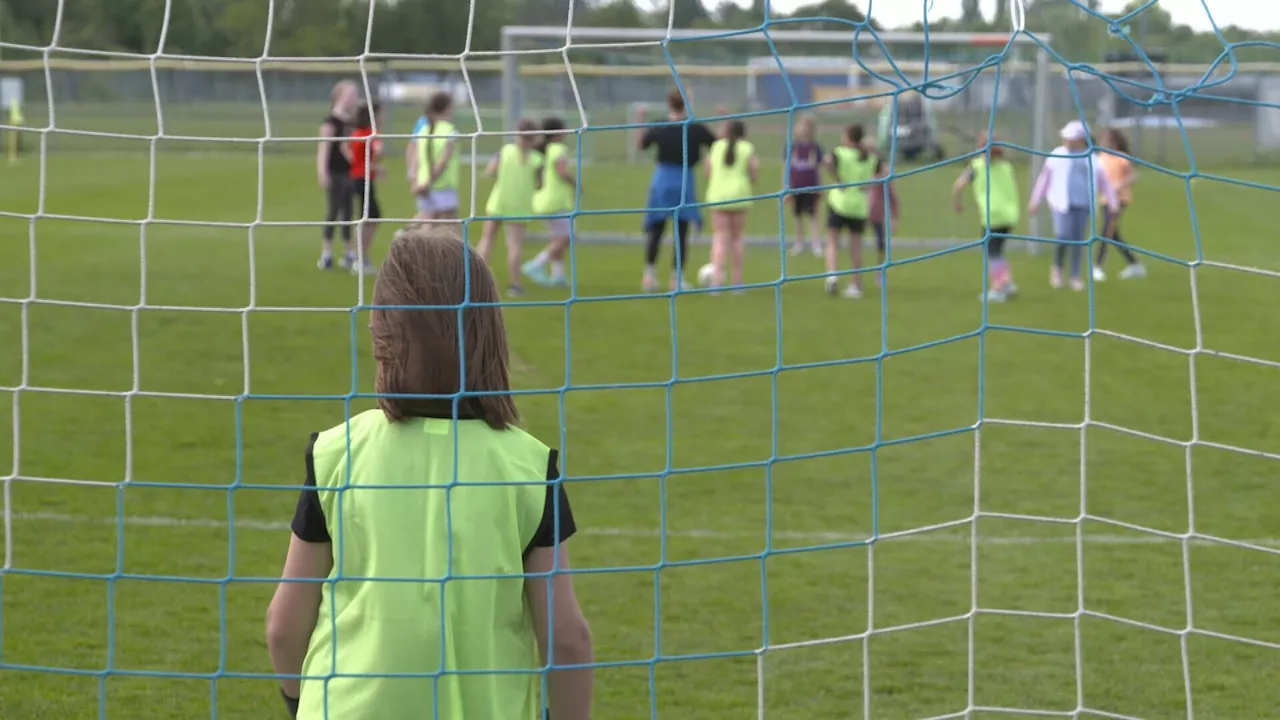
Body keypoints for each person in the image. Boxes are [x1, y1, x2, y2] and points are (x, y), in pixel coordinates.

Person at [265, 226, 595, 720]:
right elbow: (566, 640)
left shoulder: (337, 453)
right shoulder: (528, 467)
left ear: (382, 331)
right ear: (488, 331)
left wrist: (300, 701)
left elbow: (284, 627)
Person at [635, 89, 716, 292]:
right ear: (687, 103)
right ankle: (676, 279)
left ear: (668, 103)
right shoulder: (694, 128)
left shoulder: (660, 125)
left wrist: (640, 119)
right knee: (681, 231)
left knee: (657, 229)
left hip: (661, 179)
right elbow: (717, 143)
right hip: (684, 179)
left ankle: (649, 275)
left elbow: (640, 145)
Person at [1028, 120, 1121, 292]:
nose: (1067, 141)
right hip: (1061, 204)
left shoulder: (1091, 158)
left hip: (1083, 204)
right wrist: (1035, 200)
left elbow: (1104, 183)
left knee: (1079, 241)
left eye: (1071, 138)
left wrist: (1113, 202)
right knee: (1062, 235)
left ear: (1081, 139)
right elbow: (1044, 179)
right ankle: (1057, 270)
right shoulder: (1056, 155)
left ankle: (1075, 275)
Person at [478, 118, 544, 297]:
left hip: (498, 203)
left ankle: (476, 281)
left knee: (487, 241)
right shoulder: (537, 159)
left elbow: (490, 171)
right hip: (518, 207)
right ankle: (514, 285)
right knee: (515, 246)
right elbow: (539, 184)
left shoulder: (504, 151)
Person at [953, 132, 1021, 302]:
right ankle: (1008, 283)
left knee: (992, 252)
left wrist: (957, 203)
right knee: (998, 250)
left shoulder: (977, 166)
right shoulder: (1007, 166)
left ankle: (998, 289)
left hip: (992, 215)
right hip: (1009, 215)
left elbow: (958, 185)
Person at [823, 124, 880, 299]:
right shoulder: (869, 157)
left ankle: (832, 276)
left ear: (848, 137)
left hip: (839, 202)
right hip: (859, 205)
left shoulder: (840, 152)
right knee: (856, 248)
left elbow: (826, 161)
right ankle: (856, 285)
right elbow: (879, 173)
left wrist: (837, 178)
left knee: (833, 241)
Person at [522, 118, 577, 288]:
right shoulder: (558, 148)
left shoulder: (543, 150)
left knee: (557, 237)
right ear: (558, 132)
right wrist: (575, 183)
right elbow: (561, 171)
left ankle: (558, 275)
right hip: (556, 201)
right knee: (565, 237)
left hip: (543, 200)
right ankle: (536, 264)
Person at [703, 120, 758, 291]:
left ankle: (717, 282)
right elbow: (754, 174)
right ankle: (737, 282)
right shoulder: (748, 148)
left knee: (720, 238)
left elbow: (707, 172)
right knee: (737, 238)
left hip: (719, 196)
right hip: (739, 196)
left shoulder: (716, 147)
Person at [317, 80, 361, 270]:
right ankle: (326, 252)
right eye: (350, 94)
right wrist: (322, 172)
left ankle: (348, 251)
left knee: (348, 212)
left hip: (349, 172)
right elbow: (323, 150)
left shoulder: (351, 122)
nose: (353, 98)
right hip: (335, 172)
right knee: (333, 211)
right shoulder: (330, 123)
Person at [1093, 128, 1146, 281]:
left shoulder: (1122, 158)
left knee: (1106, 232)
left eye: (1107, 140)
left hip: (1119, 200)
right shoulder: (1101, 157)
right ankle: (1135, 265)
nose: (1104, 142)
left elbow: (1133, 177)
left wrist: (1118, 186)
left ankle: (1097, 266)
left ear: (1114, 142)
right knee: (1113, 234)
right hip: (1105, 200)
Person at [346, 102, 384, 277]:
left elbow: (348, 150)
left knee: (365, 217)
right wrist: (375, 165)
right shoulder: (371, 134)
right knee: (371, 218)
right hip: (365, 179)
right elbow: (378, 150)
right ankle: (360, 259)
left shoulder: (356, 133)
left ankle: (358, 256)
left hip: (356, 178)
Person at [411, 92, 460, 221]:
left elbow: (416, 159)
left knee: (428, 224)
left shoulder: (423, 130)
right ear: (448, 108)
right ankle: (405, 236)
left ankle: (407, 236)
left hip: (423, 184)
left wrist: (416, 182)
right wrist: (429, 182)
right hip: (442, 185)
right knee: (449, 228)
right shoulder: (449, 130)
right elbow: (443, 161)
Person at [785, 114, 824, 258]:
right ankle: (799, 242)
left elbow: (819, 168)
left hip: (811, 185)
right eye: (801, 126)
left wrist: (820, 187)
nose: (804, 129)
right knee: (797, 215)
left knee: (813, 215)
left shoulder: (815, 147)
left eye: (807, 126)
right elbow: (787, 167)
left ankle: (816, 243)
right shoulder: (793, 147)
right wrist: (786, 187)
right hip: (796, 185)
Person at [866, 154, 899, 288]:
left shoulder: (886, 182)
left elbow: (894, 201)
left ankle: (879, 273)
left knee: (881, 244)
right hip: (863, 212)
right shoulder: (873, 179)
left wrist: (895, 219)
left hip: (877, 216)